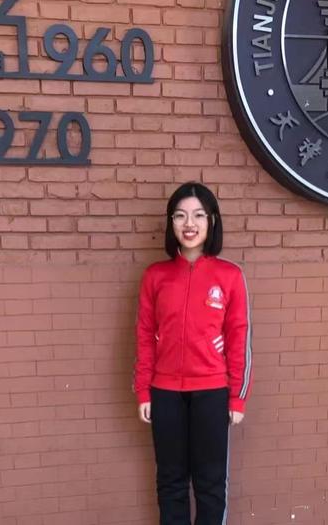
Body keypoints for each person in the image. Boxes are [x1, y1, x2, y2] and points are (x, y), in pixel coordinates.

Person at [134, 182, 252, 525]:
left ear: (211, 221)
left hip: (212, 393)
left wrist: (237, 398)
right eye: (180, 216)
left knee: (210, 485)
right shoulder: (155, 276)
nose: (189, 224)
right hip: (165, 392)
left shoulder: (230, 276)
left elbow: (239, 338)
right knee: (170, 482)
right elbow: (144, 335)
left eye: (198, 215)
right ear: (171, 223)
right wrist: (143, 390)